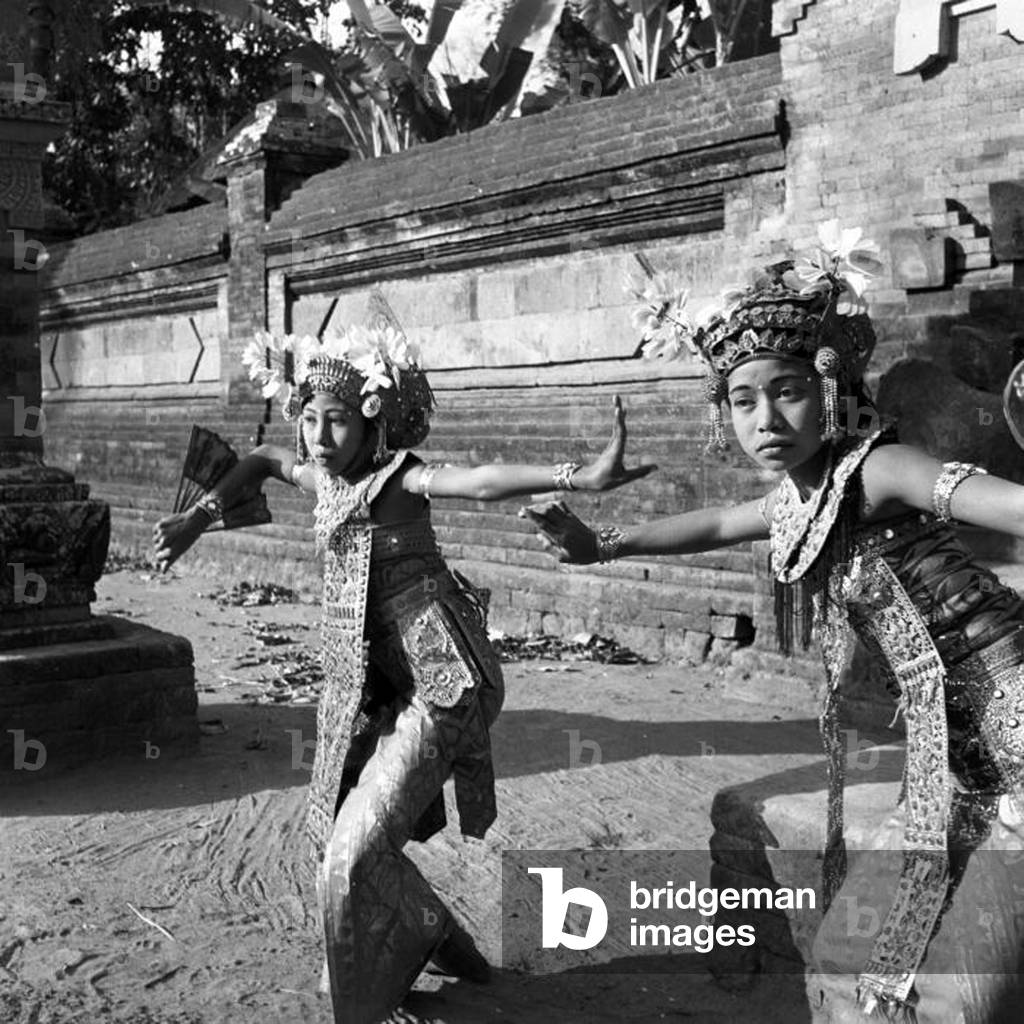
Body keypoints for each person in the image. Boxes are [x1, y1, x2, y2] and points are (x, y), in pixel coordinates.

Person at [524, 223, 1024, 1022]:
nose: (766, 419)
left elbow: (998, 502)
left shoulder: (882, 471)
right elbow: (716, 523)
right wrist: (599, 544)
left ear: (827, 387)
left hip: (1015, 716)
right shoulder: (792, 500)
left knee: (968, 993)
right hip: (946, 756)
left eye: (786, 391)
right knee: (850, 959)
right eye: (743, 399)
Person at [152, 317, 654, 1024]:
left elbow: (478, 482)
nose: (318, 438)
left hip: (445, 682)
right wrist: (200, 517)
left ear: (371, 421)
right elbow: (264, 459)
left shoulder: (400, 478)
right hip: (373, 688)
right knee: (336, 837)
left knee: (350, 861)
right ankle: (440, 938)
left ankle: (368, 1003)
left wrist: (580, 476)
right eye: (310, 420)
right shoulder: (320, 477)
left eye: (335, 423)